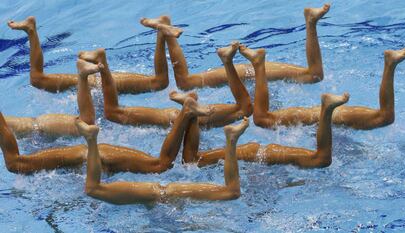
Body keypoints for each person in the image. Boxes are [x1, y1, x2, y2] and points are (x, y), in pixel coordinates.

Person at [0, 96, 212, 174]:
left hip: (100, 157)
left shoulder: (23, 163)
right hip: (96, 155)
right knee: (163, 164)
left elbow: (13, 162)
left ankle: (187, 112)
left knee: (161, 165)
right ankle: (188, 112)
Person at [140, 3, 330, 90]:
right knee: (185, 83)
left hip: (253, 72)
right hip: (249, 73)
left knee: (314, 74)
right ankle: (164, 28)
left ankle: (164, 27)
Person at [78, 41, 252, 128]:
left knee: (114, 113)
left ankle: (164, 35)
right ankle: (102, 62)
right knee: (113, 113)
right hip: (177, 118)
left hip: (177, 118)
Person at [77, 117, 248, 204]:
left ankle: (91, 139)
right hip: (164, 195)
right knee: (93, 189)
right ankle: (91, 140)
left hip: (162, 195)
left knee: (93, 189)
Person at [247, 45, 405, 130]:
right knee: (385, 117)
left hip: (321, 119)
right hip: (323, 120)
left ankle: (258, 64)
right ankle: (390, 64)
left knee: (262, 120)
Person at [7, 16, 182, 93]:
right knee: (37, 79)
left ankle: (160, 30)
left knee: (159, 82)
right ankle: (31, 30)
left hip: (97, 83)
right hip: (96, 83)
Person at [195, 93, 349, 168]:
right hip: (255, 155)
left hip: (253, 155)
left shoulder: (196, 159)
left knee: (321, 159)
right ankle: (326, 109)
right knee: (321, 159)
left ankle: (326, 109)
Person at [4, 59, 101, 137]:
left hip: (40, 129)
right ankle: (83, 75)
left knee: (86, 125)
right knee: (87, 125)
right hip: (39, 130)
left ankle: (83, 76)